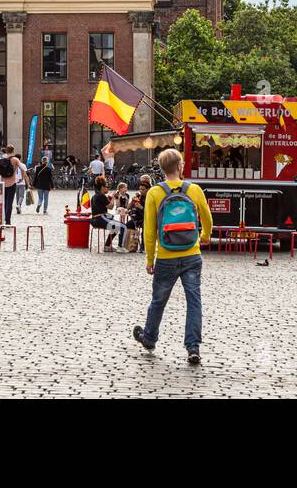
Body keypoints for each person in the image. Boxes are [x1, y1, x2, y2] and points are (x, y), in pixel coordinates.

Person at [133, 149, 212, 364]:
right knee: (194, 301)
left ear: (161, 169)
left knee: (158, 301)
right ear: (180, 166)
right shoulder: (194, 190)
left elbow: (149, 231)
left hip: (166, 257)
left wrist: (150, 259)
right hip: (191, 256)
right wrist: (204, 236)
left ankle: (149, 338)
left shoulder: (155, 193)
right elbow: (207, 218)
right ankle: (193, 347)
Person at [89, 176, 127, 251]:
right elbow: (110, 207)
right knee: (123, 226)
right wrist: (113, 198)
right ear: (102, 187)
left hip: (95, 219)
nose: (108, 188)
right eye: (107, 187)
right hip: (100, 219)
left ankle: (107, 246)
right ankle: (121, 247)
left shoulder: (95, 196)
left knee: (116, 226)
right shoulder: (101, 196)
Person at [0, 146, 22, 225]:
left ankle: (3, 219)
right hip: (12, 183)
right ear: (13, 150)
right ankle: (7, 220)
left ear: (6, 150)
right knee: (9, 203)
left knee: (3, 202)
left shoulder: (0, 159)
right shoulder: (15, 159)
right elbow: (22, 169)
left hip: (2, 183)